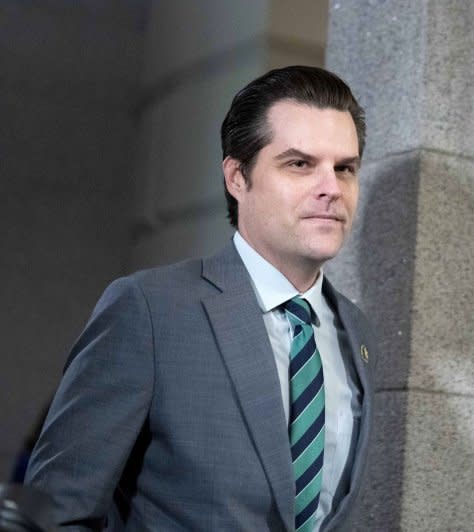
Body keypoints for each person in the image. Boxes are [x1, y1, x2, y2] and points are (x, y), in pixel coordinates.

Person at [25, 65, 375, 532]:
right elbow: (51, 513)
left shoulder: (360, 335)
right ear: (237, 176)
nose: (331, 188)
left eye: (344, 168)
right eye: (299, 164)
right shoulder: (149, 311)